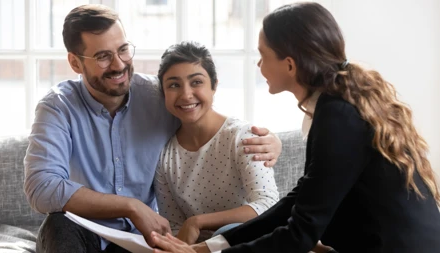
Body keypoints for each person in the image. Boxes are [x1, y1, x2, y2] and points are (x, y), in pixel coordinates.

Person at [150, 2, 440, 253]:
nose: (259, 64)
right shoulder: (334, 106)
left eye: (263, 55)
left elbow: (300, 233)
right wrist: (209, 246)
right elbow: (298, 200)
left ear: (289, 64)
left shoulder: (338, 115)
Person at [23, 4, 282, 253]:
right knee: (58, 224)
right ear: (76, 63)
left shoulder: (159, 97)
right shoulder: (57, 107)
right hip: (84, 232)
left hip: (143, 240)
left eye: (123, 49)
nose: (118, 64)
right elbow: (42, 187)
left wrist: (270, 140)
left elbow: (203, 116)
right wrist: (130, 206)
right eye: (102, 57)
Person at [154, 41, 280, 245]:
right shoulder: (165, 157)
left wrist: (198, 222)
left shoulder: (241, 137)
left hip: (249, 244)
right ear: (163, 93)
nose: (186, 94)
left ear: (214, 86)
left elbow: (268, 205)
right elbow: (176, 227)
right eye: (174, 85)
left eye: (196, 82)